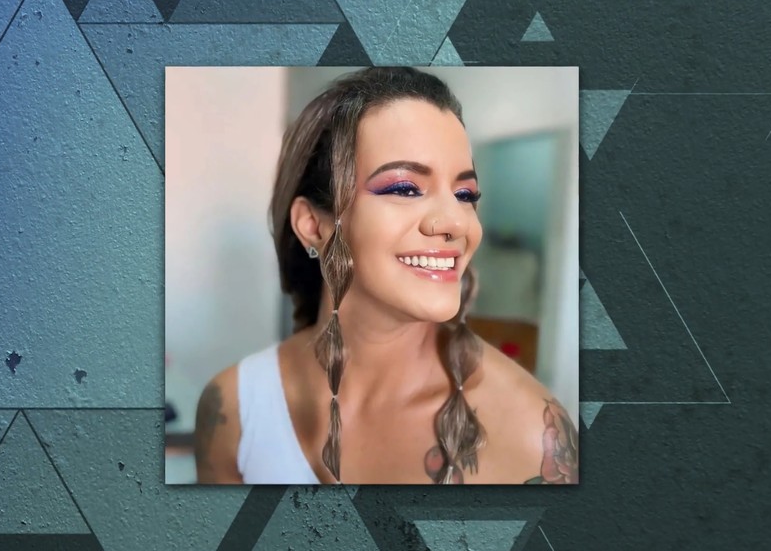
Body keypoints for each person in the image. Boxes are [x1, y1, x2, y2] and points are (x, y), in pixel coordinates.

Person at [194, 67, 578, 485]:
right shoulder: (233, 409)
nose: (456, 222)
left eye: (465, 194)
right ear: (313, 224)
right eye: (405, 188)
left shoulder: (532, 438)